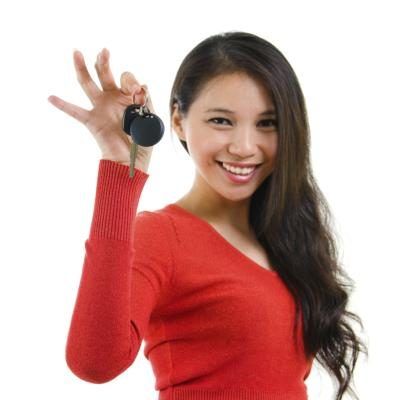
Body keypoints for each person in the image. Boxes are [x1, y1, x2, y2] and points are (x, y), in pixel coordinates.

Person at [48, 31, 368, 400]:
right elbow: (94, 363)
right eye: (221, 121)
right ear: (179, 121)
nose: (244, 147)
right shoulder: (163, 235)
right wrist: (121, 172)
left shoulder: (287, 237)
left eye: (267, 123)